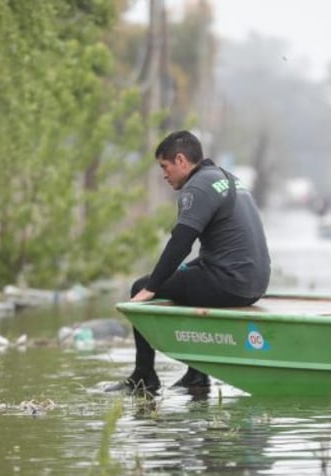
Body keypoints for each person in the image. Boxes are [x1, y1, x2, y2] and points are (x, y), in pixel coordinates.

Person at [107, 130, 271, 395]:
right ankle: (196, 375)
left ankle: (143, 377)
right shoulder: (227, 178)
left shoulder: (196, 188)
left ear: (181, 160)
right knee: (189, 276)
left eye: (165, 166)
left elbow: (181, 244)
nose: (163, 174)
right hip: (255, 282)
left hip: (229, 283)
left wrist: (152, 287)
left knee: (141, 285)